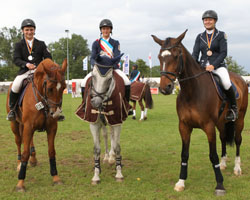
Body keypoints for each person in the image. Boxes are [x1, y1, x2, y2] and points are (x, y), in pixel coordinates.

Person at [7, 19, 65, 121]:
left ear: (34, 30)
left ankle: (58, 110)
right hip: (25, 71)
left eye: (31, 30)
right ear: (23, 31)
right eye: (27, 30)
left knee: (54, 86)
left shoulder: (41, 44)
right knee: (15, 85)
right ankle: (12, 110)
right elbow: (16, 59)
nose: (29, 32)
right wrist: (26, 64)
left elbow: (48, 58)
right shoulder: (18, 45)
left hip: (40, 72)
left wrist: (42, 67)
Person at [192, 10, 238, 121]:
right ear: (203, 22)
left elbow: (223, 53)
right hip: (202, 67)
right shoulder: (199, 37)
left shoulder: (221, 35)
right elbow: (195, 53)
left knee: (226, 83)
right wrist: (194, 66)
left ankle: (233, 108)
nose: (207, 21)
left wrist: (213, 65)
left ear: (215, 21)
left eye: (210, 19)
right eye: (205, 20)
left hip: (218, 66)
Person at [81, 19, 131, 103]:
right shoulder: (96, 43)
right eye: (103, 29)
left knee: (127, 81)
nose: (105, 31)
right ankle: (84, 104)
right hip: (99, 68)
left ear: (111, 30)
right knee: (83, 82)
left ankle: (126, 104)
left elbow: (117, 56)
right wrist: (95, 65)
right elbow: (92, 57)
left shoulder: (115, 42)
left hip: (112, 67)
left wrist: (110, 64)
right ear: (101, 30)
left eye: (107, 29)